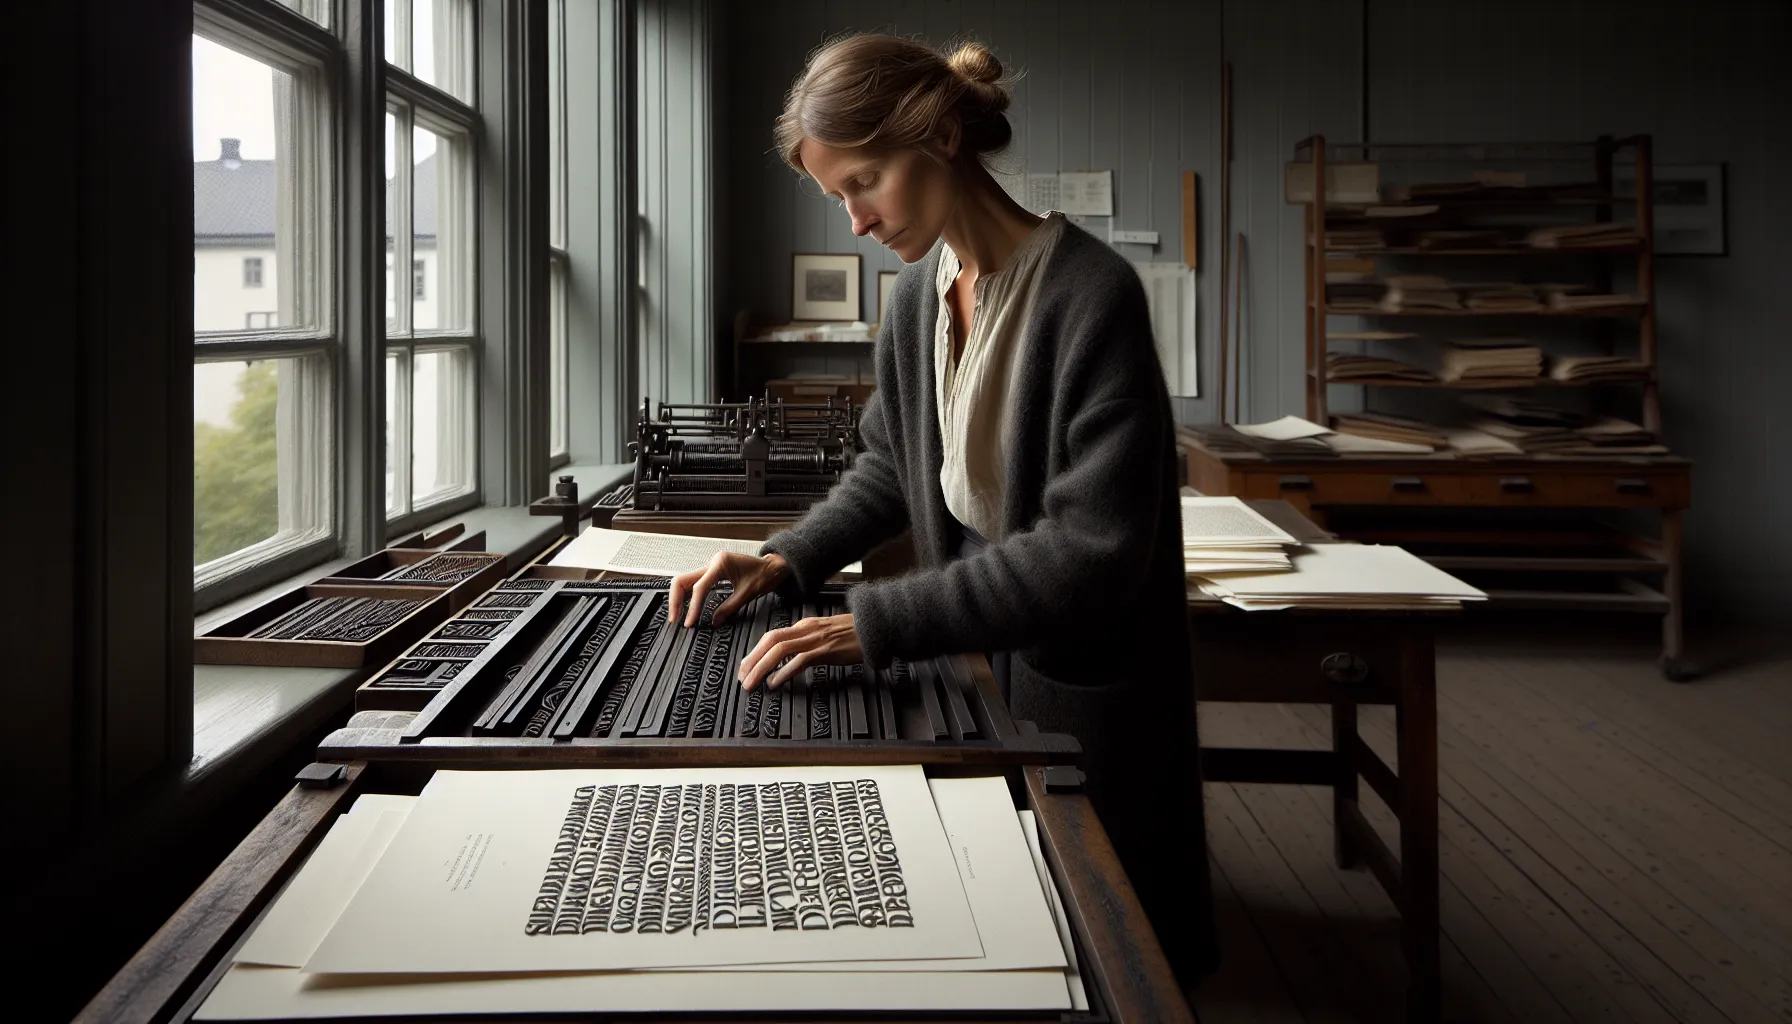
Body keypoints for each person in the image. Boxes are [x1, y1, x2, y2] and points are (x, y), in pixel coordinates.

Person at [667, 33, 1217, 982]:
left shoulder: (1092, 296)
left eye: (865, 182)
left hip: (1079, 677)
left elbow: (1094, 553)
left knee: (1112, 950)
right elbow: (893, 463)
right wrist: (787, 559)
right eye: (837, 196)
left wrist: (873, 619)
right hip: (984, 660)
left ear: (939, 138)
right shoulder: (920, 294)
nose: (855, 221)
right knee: (1017, 933)